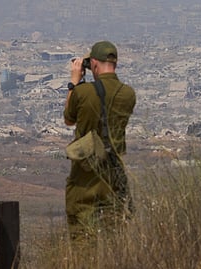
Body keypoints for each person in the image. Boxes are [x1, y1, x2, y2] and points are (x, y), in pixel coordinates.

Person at [63, 41, 136, 240]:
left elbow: (69, 118)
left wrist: (74, 82)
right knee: (115, 229)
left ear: (94, 64)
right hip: (114, 168)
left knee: (82, 229)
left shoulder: (83, 92)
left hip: (86, 170)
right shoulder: (128, 94)